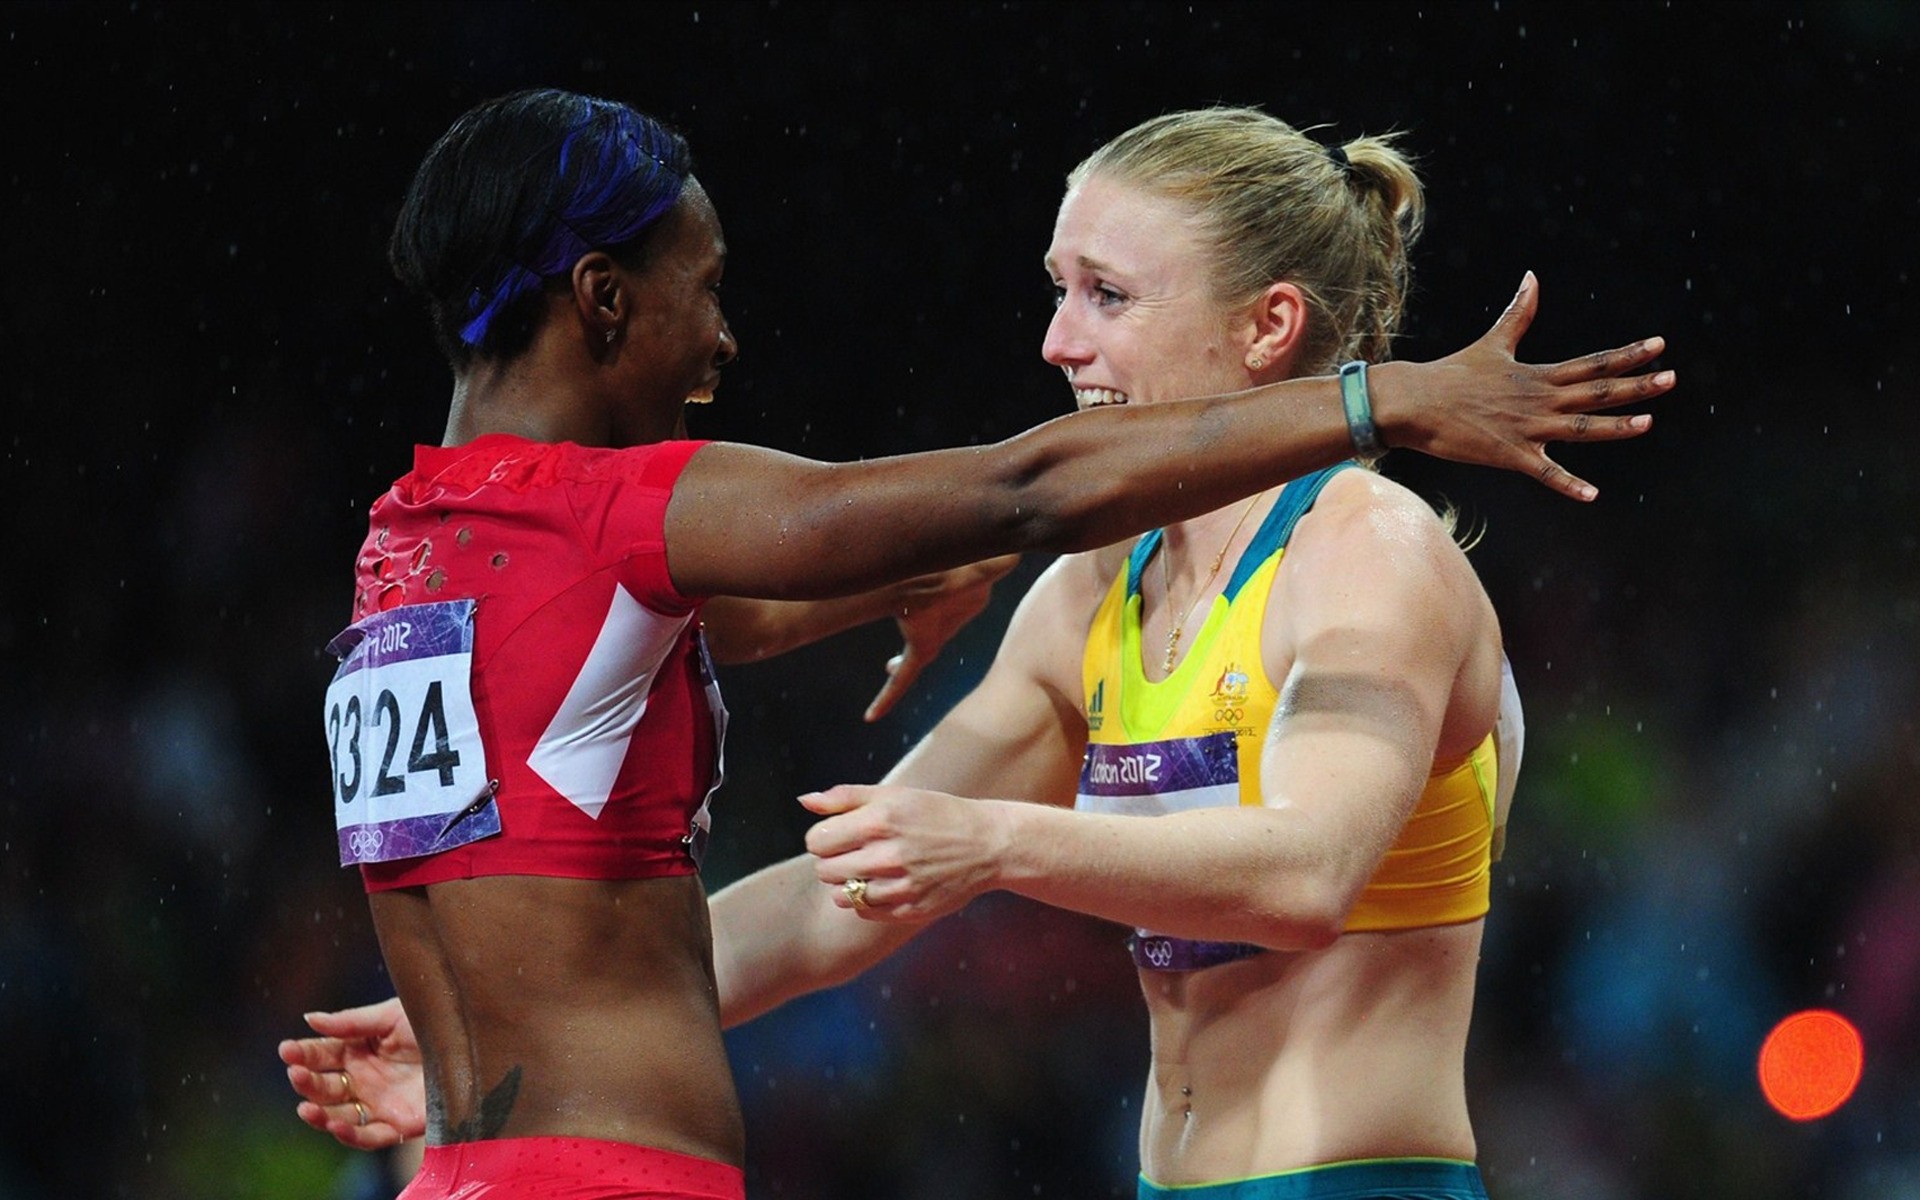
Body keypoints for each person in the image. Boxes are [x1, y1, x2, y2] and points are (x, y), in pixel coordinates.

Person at [289, 87, 1672, 1200]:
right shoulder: (1090, 596)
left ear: (1270, 328)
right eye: (1059, 288)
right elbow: (846, 894)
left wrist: (998, 842)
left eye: (1110, 296)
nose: (1060, 340)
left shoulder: (1368, 551)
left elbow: (1305, 874)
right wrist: (515, 1011)